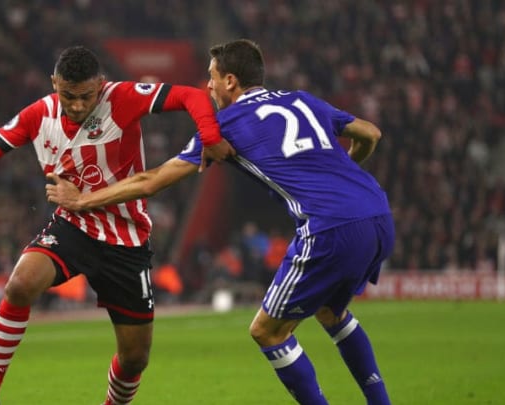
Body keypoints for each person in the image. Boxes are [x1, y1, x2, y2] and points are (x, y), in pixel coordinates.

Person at [46, 39, 394, 405]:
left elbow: (150, 181)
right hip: (377, 212)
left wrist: (82, 200)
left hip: (331, 226)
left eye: (211, 77)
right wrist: (345, 175)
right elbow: (370, 133)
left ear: (230, 80)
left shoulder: (226, 123)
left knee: (267, 331)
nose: (207, 86)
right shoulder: (301, 99)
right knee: (331, 311)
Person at [0, 45, 235, 405]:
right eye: (68, 96)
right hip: (73, 226)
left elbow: (189, 95)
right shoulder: (38, 114)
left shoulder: (121, 98)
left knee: (135, 358)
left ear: (101, 85)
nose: (76, 105)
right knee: (20, 284)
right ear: (54, 84)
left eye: (85, 96)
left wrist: (210, 137)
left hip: (126, 239)